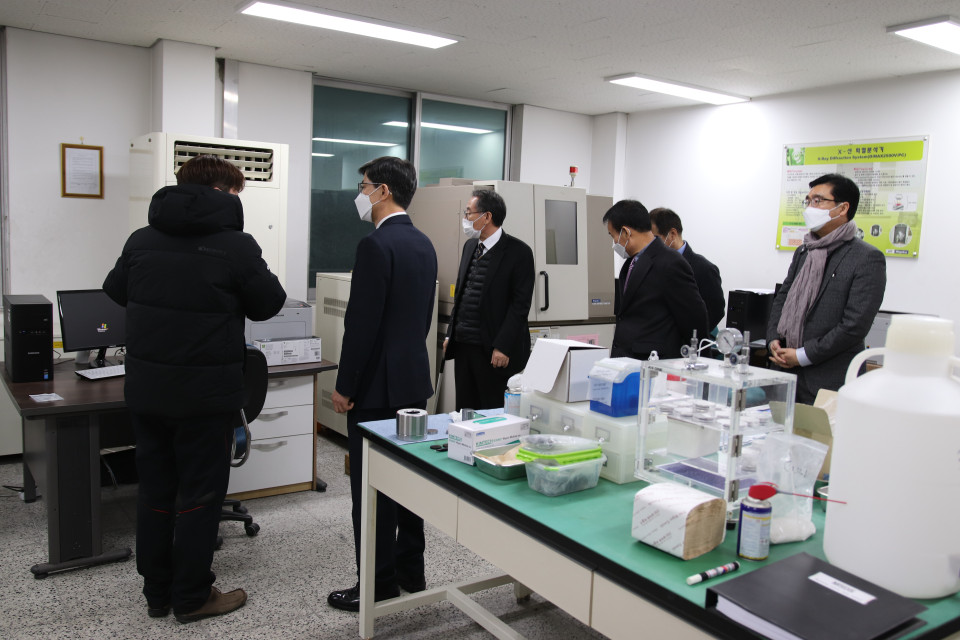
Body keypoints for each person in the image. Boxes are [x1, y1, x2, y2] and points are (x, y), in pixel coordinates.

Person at [103, 155, 286, 623]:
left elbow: (116, 290)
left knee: (155, 492)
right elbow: (270, 303)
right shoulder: (235, 245)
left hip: (148, 392)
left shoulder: (141, 239)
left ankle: (157, 593)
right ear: (222, 192)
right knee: (200, 496)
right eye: (236, 193)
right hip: (204, 398)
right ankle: (191, 597)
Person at [328, 156, 438, 612]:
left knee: (370, 489)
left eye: (364, 185)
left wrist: (344, 386)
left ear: (383, 191)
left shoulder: (375, 245)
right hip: (412, 383)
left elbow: (362, 326)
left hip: (374, 389)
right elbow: (421, 319)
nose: (361, 193)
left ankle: (376, 584)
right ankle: (411, 570)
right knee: (408, 482)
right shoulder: (424, 243)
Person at [767, 173, 886, 404]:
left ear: (842, 208)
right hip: (786, 374)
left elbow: (854, 326)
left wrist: (802, 355)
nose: (810, 207)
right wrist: (773, 339)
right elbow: (783, 297)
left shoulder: (866, 258)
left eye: (818, 200)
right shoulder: (805, 251)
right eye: (808, 200)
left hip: (828, 380)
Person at [443, 189, 534, 410]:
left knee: (490, 411)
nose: (466, 218)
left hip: (492, 350)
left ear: (487, 217)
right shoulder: (470, 246)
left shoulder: (518, 252)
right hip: (463, 344)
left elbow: (519, 306)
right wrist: (450, 333)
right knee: (464, 409)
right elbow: (461, 294)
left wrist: (503, 346)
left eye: (469, 213)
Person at [604, 199, 708, 360]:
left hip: (654, 360)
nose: (614, 243)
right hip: (627, 358)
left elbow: (694, 319)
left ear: (625, 232)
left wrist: (699, 363)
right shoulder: (630, 264)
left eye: (613, 236)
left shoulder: (670, 262)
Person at [649, 207, 726, 332]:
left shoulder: (704, 268)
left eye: (655, 238)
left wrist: (693, 335)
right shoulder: (652, 264)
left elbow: (716, 311)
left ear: (672, 234)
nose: (651, 245)